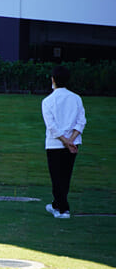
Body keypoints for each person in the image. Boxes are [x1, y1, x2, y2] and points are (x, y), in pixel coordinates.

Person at [42, 65, 86, 219]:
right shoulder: (76, 98)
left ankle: (63, 209)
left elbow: (52, 127)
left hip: (55, 144)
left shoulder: (48, 101)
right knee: (65, 176)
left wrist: (65, 141)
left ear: (53, 80)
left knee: (57, 177)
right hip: (72, 143)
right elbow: (81, 122)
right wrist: (71, 141)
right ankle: (57, 204)